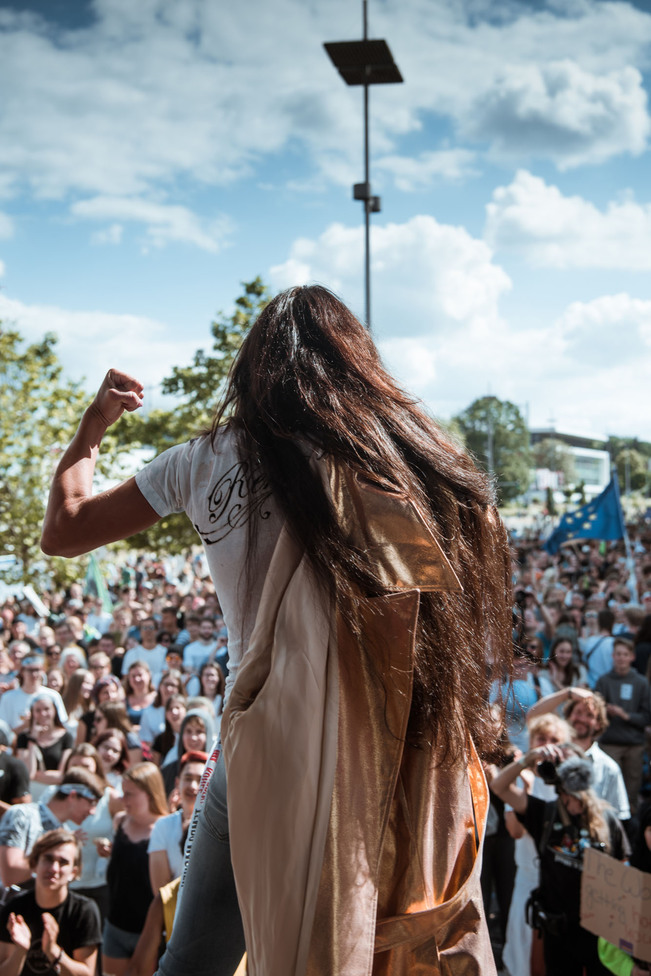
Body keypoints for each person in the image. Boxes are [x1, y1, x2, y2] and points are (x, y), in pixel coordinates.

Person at [41, 285, 513, 975]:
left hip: (260, 745)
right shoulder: (398, 461)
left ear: (251, 369)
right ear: (355, 362)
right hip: (391, 741)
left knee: (196, 959)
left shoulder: (201, 462)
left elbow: (65, 529)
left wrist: (93, 425)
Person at [491, 744, 630, 976]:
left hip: (600, 933)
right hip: (558, 931)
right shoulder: (545, 813)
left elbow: (623, 871)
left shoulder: (607, 819)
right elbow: (499, 786)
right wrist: (528, 759)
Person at [0, 828, 102, 976]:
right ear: (34, 863)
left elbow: (87, 973)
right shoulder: (14, 909)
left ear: (73, 872)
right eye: (48, 859)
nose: (54, 868)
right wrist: (20, 950)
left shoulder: (84, 910)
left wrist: (53, 951)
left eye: (63, 862)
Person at [103, 762, 168, 976]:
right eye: (123, 793)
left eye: (129, 794)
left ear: (149, 793)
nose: (123, 799)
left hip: (149, 933)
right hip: (115, 925)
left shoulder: (165, 829)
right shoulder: (121, 821)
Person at [0, 768, 103, 887]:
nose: (93, 812)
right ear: (73, 796)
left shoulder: (65, 832)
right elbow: (11, 875)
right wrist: (52, 845)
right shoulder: (22, 815)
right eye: (92, 802)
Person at [596, 637, 651, 818]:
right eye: (618, 654)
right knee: (608, 792)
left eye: (625, 654)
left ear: (632, 657)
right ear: (613, 656)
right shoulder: (603, 681)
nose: (621, 658)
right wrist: (606, 711)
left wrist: (625, 715)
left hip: (634, 744)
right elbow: (595, 712)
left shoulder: (641, 682)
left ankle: (631, 833)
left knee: (631, 793)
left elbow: (646, 716)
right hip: (610, 743)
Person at [148, 751, 207, 892]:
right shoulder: (162, 827)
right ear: (177, 782)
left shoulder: (220, 826)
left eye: (201, 780)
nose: (193, 786)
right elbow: (161, 892)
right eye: (187, 778)